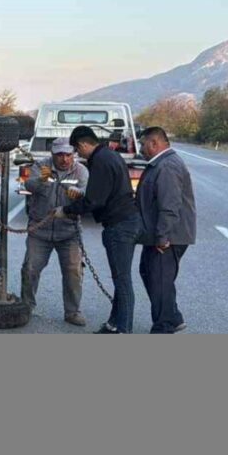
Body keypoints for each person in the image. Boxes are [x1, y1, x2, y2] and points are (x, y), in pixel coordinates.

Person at [57, 125, 141, 334]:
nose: (78, 154)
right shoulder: (110, 156)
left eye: (77, 150)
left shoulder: (101, 161)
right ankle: (114, 323)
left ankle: (123, 329)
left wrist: (67, 210)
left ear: (84, 144)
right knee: (119, 278)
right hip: (125, 221)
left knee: (122, 280)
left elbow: (95, 200)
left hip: (119, 226)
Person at [21, 137, 90, 327]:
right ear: (53, 154)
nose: (65, 159)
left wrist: (78, 193)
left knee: (73, 273)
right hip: (40, 230)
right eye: (60, 155)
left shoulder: (81, 170)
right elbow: (28, 185)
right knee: (30, 269)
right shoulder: (41, 166)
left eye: (68, 155)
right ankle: (26, 307)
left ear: (73, 154)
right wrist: (41, 181)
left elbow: (87, 193)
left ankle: (72, 312)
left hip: (69, 232)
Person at [135, 126, 196, 334]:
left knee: (159, 279)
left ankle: (164, 326)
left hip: (169, 237)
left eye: (143, 144)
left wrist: (163, 237)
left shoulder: (168, 166)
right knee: (150, 272)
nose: (141, 148)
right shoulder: (160, 163)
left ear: (154, 143)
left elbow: (169, 205)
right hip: (159, 234)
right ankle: (173, 317)